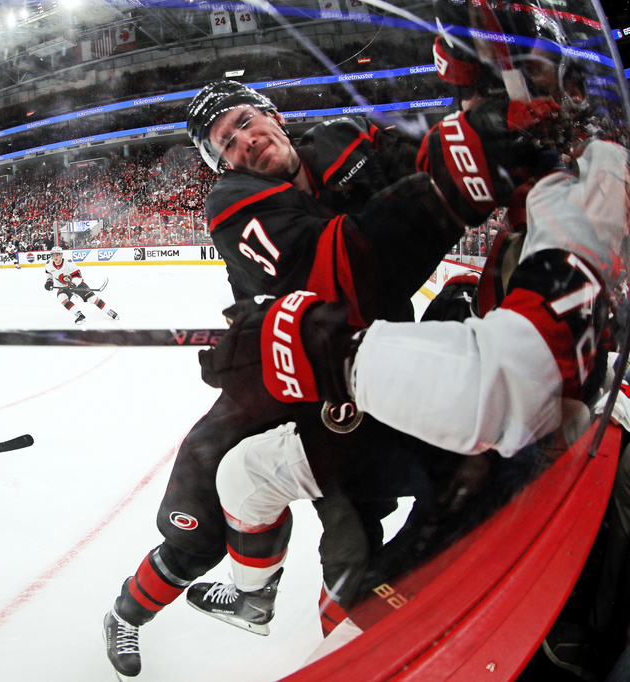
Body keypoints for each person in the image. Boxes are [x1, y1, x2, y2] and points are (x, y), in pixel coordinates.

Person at [102, 78, 559, 678]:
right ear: (222, 166)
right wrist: (462, 176)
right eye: (224, 143)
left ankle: (328, 636)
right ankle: (127, 614)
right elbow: (348, 271)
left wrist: (474, 125)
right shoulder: (233, 204)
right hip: (278, 388)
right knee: (200, 520)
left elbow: (421, 152)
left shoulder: (347, 139)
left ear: (273, 116)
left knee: (357, 542)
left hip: (365, 376)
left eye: (244, 121)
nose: (242, 142)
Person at [194, 139, 627, 655]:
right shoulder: (569, 197)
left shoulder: (575, 198)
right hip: (526, 453)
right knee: (248, 473)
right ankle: (253, 597)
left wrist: (339, 358)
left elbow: (513, 384)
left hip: (528, 483)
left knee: (352, 626)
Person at [44, 246, 118, 324]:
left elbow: (78, 276)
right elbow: (49, 274)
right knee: (61, 297)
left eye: (57, 255)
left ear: (61, 255)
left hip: (77, 284)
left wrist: (74, 284)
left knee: (92, 299)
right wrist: (49, 282)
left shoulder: (68, 263)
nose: (55, 257)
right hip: (63, 286)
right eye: (54, 255)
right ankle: (79, 315)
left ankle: (109, 311)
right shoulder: (49, 264)